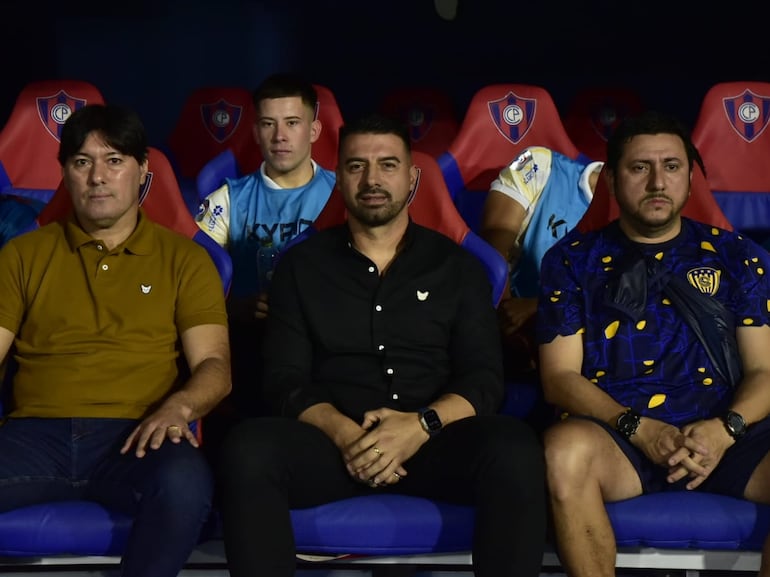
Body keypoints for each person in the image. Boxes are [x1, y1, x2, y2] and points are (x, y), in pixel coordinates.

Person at [217, 113, 547, 577]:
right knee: (248, 449)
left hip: (432, 442)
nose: (372, 180)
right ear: (340, 177)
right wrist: (348, 436)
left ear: (412, 178)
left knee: (514, 447)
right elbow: (284, 380)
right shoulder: (301, 267)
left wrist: (419, 426)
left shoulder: (458, 268)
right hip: (332, 446)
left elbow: (484, 380)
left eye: (388, 165)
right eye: (356, 166)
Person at [0, 104, 231, 577]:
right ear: (65, 173)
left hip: (139, 433)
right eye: (82, 162)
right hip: (33, 435)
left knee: (186, 483)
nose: (97, 177)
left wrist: (180, 408)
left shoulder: (185, 260)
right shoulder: (21, 254)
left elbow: (215, 366)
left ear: (142, 170)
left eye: (114, 161)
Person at [537, 110, 770, 577]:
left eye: (672, 166)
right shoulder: (572, 261)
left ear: (690, 178)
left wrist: (723, 431)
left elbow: (765, 371)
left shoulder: (738, 256)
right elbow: (560, 379)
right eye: (640, 167)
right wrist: (639, 429)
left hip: (725, 436)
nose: (657, 181)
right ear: (611, 181)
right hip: (620, 437)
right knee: (564, 451)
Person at [195, 72, 335, 418]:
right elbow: (189, 282)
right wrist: (233, 308)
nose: (280, 136)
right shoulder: (227, 199)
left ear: (314, 130)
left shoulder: (343, 195)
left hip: (328, 349)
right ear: (256, 131)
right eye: (268, 124)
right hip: (253, 347)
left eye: (292, 122)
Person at [480, 146, 602, 373]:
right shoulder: (537, 163)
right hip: (515, 315)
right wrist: (508, 320)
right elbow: (491, 250)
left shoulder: (641, 211)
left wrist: (539, 305)